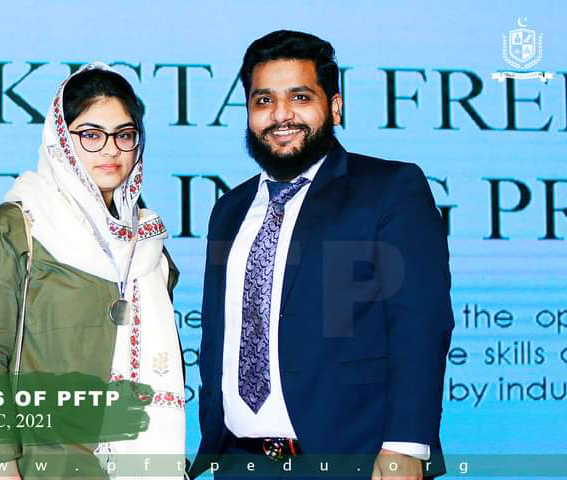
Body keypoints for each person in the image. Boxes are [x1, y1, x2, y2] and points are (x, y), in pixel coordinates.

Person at [190, 31, 454, 480]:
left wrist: (406, 446)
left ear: (334, 107)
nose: (281, 115)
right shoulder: (229, 209)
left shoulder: (389, 189)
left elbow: (420, 325)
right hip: (239, 463)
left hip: (356, 460)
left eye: (300, 97)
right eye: (264, 100)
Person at [0, 62, 186, 479]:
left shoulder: (147, 244)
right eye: (91, 135)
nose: (111, 150)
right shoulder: (14, 231)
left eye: (124, 134)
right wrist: (1, 467)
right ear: (61, 138)